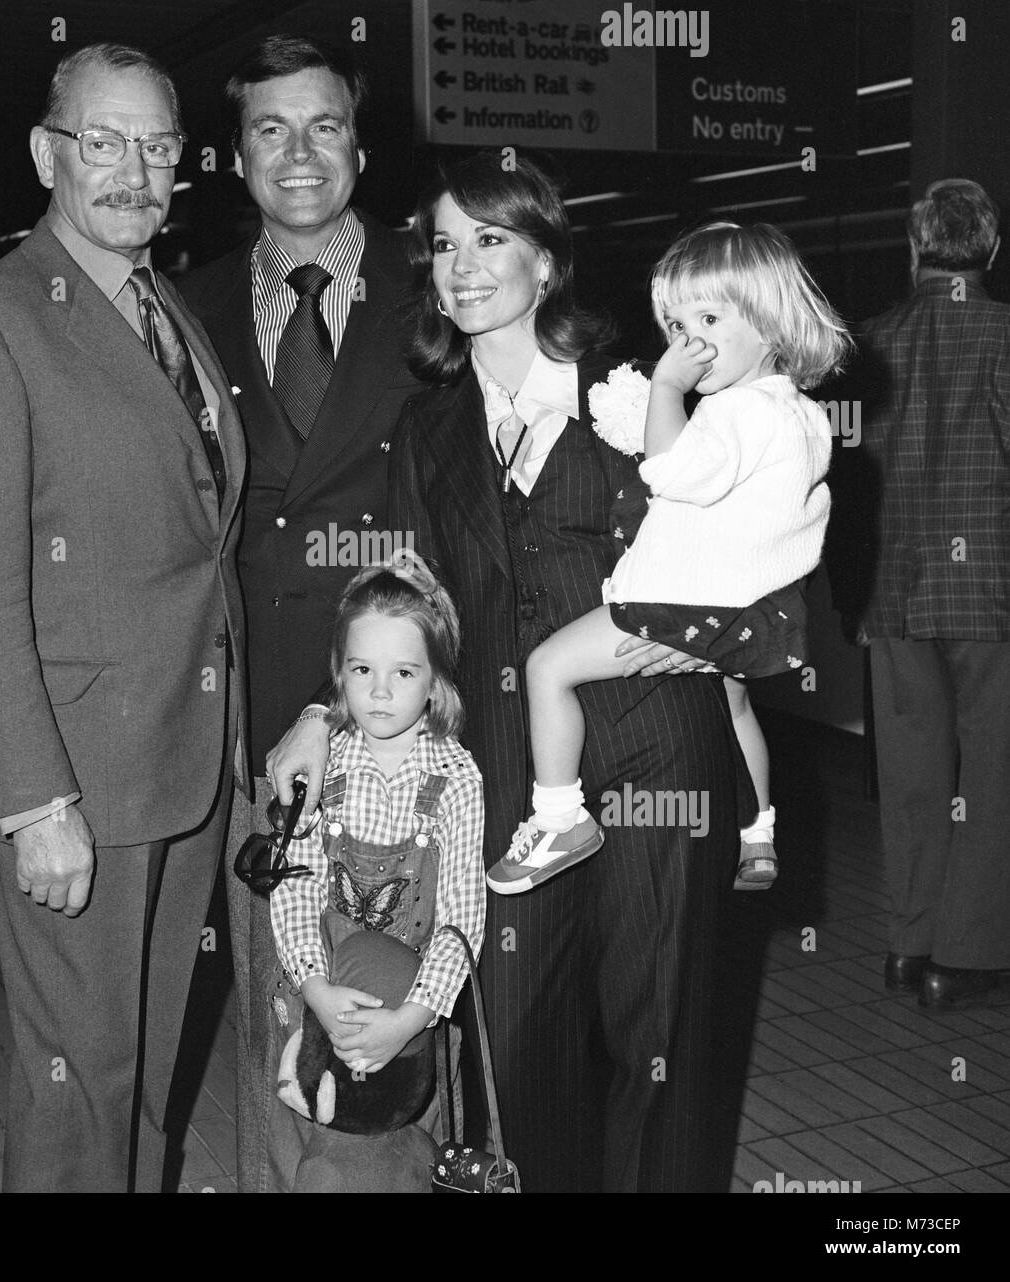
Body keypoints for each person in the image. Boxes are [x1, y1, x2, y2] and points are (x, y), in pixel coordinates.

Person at [271, 151, 764, 1192]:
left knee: (659, 1039)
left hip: (658, 749)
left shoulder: (636, 394)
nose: (461, 265)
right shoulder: (427, 427)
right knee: (526, 1049)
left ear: (545, 260)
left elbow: (746, 527)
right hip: (507, 781)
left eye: (489, 238)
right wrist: (327, 709)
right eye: (443, 244)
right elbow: (404, 604)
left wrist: (716, 620)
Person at [0, 41, 247, 1191]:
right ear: (46, 153)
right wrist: (32, 796)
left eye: (158, 146)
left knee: (147, 1070)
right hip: (79, 776)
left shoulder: (168, 305)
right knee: (77, 1080)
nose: (134, 171)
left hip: (188, 758)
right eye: (102, 142)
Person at [175, 33, 424, 1192]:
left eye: (323, 124)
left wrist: (343, 705)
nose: (299, 151)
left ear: (359, 144)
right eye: (269, 129)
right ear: (234, 158)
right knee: (279, 995)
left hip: (397, 708)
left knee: (390, 995)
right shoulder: (190, 305)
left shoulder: (439, 287)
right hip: (242, 719)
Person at [490, 222, 847, 897]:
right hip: (754, 612)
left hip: (680, 604)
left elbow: (672, 471)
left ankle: (558, 816)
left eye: (710, 317)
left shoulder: (732, 411)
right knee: (736, 708)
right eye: (677, 324)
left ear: (771, 321)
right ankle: (759, 831)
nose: (689, 342)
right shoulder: (802, 414)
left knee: (548, 668)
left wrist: (662, 390)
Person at [267, 553, 484, 1175]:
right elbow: (296, 885)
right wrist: (315, 987)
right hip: (321, 992)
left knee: (402, 1151)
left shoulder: (456, 778)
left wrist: (409, 1018)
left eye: (404, 672)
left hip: (412, 1011)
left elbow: (461, 922)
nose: (380, 691)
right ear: (339, 673)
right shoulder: (323, 765)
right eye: (362, 669)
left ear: (435, 682)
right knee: (310, 1138)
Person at [852, 178, 1010, 1008]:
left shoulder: (870, 342)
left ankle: (908, 945)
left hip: (895, 593)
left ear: (915, 249)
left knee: (911, 774)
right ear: (990, 250)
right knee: (992, 775)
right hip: (993, 596)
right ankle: (966, 953)